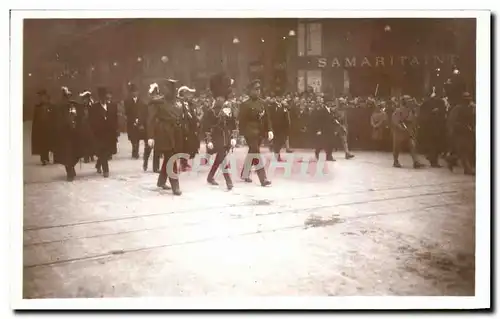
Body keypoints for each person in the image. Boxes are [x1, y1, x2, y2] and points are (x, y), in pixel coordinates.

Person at [147, 79, 184, 195]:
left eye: (173, 89)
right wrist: (150, 136)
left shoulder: (178, 102)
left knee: (169, 157)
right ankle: (175, 185)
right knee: (171, 158)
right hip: (164, 133)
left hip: (175, 133)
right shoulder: (158, 102)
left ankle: (161, 181)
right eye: (169, 89)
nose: (171, 92)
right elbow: (151, 120)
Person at [204, 73, 237, 190]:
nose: (220, 100)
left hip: (226, 137)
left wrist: (233, 137)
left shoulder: (228, 109)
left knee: (219, 158)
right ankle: (228, 181)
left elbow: (233, 123)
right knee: (223, 159)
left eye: (222, 98)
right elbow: (207, 127)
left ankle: (210, 176)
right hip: (216, 138)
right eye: (218, 98)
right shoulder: (211, 111)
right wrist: (208, 140)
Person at [238, 79, 272, 186]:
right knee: (256, 153)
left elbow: (267, 118)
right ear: (250, 91)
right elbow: (241, 121)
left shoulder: (263, 103)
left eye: (259, 89)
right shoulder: (245, 104)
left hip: (260, 133)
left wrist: (270, 130)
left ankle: (245, 173)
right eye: (255, 89)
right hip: (250, 133)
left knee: (252, 153)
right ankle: (263, 179)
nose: (257, 91)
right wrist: (242, 135)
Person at [52, 86, 84, 181]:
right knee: (66, 155)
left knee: (74, 154)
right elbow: (57, 121)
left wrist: (76, 124)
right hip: (64, 134)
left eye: (68, 97)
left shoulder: (73, 106)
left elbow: (78, 116)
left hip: (74, 134)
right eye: (66, 97)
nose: (67, 99)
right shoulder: (59, 107)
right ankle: (69, 172)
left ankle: (71, 167)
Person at [89, 87, 118, 178]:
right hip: (99, 134)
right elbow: (91, 121)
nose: (103, 99)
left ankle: (98, 164)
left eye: (104, 97)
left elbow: (115, 119)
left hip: (110, 134)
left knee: (107, 152)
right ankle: (106, 170)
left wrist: (116, 130)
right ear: (99, 98)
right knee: (102, 151)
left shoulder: (112, 106)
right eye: (101, 97)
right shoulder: (94, 107)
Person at [446, 92, 475, 175]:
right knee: (464, 150)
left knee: (468, 149)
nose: (468, 100)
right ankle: (467, 169)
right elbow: (451, 120)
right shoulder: (458, 108)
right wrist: (452, 131)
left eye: (469, 98)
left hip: (469, 131)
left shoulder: (471, 108)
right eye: (466, 98)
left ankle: (451, 160)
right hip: (459, 132)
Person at [391, 95, 424, 169]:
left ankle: (416, 162)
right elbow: (395, 120)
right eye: (408, 100)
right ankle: (395, 161)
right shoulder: (398, 110)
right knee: (397, 147)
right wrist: (401, 126)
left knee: (412, 146)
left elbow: (414, 119)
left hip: (408, 131)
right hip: (399, 132)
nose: (410, 101)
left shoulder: (411, 110)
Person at [418, 89, 447, 167]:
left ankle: (433, 159)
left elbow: (443, 113)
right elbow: (422, 115)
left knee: (436, 144)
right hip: (430, 127)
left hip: (438, 126)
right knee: (433, 144)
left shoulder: (441, 103)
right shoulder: (427, 103)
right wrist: (432, 113)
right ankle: (433, 161)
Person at [177, 86, 200, 171]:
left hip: (190, 128)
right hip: (183, 128)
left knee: (188, 146)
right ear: (183, 94)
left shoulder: (190, 104)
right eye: (187, 94)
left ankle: (185, 162)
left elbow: (193, 115)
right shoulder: (179, 103)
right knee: (183, 146)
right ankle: (182, 163)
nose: (189, 95)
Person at [31, 89, 55, 165]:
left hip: (49, 128)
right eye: (40, 97)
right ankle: (43, 158)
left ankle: (46, 157)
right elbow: (35, 119)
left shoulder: (51, 106)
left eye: (43, 97)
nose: (42, 98)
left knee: (48, 143)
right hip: (41, 129)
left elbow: (54, 117)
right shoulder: (38, 107)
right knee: (42, 144)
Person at [267, 94, 290, 162]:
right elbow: (270, 117)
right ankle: (277, 156)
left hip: (282, 127)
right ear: (276, 98)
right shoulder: (272, 106)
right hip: (275, 127)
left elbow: (287, 112)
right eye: (278, 97)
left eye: (281, 97)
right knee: (277, 141)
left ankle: (274, 149)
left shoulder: (283, 106)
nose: (280, 99)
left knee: (282, 141)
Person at [78, 90, 96, 163]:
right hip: (83, 127)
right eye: (83, 99)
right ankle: (86, 156)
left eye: (86, 99)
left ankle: (91, 154)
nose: (85, 100)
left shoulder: (92, 106)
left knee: (91, 141)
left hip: (91, 126)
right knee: (84, 142)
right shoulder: (80, 107)